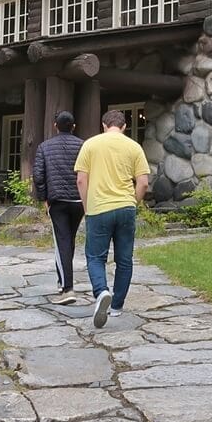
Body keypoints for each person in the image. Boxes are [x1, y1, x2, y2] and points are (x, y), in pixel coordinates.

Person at [74, 109, 150, 328]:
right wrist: (133, 203)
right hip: (126, 206)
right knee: (124, 259)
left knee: (96, 257)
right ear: (124, 127)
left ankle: (101, 291)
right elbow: (143, 182)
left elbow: (81, 180)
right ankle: (116, 306)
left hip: (98, 207)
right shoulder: (134, 147)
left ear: (104, 125)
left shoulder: (90, 144)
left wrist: (88, 206)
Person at [32, 110, 86, 305]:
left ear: (55, 126)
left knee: (62, 240)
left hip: (58, 200)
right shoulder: (83, 146)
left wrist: (43, 197)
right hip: (79, 201)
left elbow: (38, 175)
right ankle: (62, 279)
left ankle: (67, 288)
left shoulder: (44, 147)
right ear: (73, 126)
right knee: (68, 239)